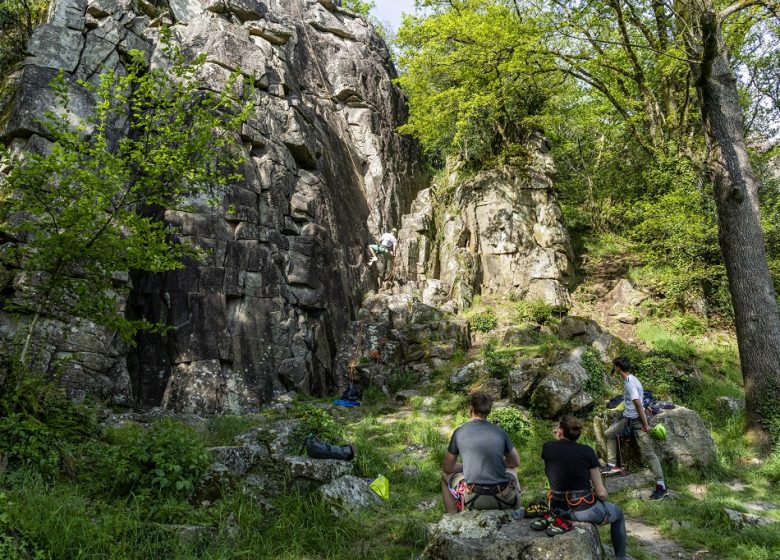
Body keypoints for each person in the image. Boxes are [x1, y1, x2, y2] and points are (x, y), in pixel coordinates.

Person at [542, 415, 627, 560]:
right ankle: (620, 558)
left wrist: (559, 438)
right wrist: (604, 498)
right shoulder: (587, 451)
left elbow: (559, 452)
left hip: (556, 508)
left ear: (560, 430)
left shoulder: (547, 447)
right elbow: (601, 493)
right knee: (618, 514)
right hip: (582, 509)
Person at [441, 392, 521, 513]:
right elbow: (515, 462)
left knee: (444, 476)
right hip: (503, 500)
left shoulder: (459, 432)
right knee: (513, 472)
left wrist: (469, 466)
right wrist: (496, 463)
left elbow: (447, 468)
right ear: (489, 410)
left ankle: (452, 517)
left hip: (473, 500)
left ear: (471, 408)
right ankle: (516, 512)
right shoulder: (500, 432)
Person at [602, 356, 668, 500]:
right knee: (609, 434)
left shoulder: (630, 383)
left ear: (618, 367)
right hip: (628, 420)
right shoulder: (631, 379)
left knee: (648, 453)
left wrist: (645, 425)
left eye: (614, 366)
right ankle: (612, 465)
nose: (614, 369)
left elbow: (637, 403)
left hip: (637, 422)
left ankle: (661, 486)